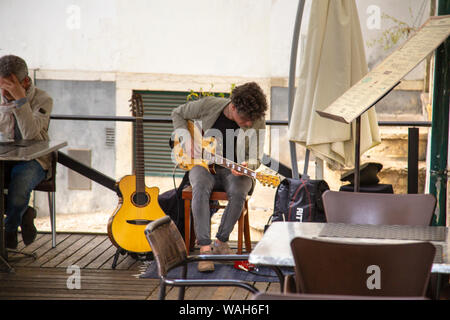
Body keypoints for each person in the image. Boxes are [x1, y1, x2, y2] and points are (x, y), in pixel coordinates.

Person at [171, 82, 267, 272]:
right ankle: (205, 250)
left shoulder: (257, 120)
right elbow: (178, 113)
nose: (249, 123)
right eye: (245, 118)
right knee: (199, 186)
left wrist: (248, 165)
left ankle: (221, 242)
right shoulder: (210, 105)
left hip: (234, 170)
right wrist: (187, 139)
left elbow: (256, 155)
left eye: (251, 119)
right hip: (204, 164)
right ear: (232, 107)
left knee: (240, 190)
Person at [0, 55, 53, 249]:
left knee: (19, 191)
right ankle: (25, 212)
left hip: (34, 159)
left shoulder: (43, 99)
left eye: (9, 87)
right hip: (4, 158)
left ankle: (10, 230)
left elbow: (31, 134)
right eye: (1, 86)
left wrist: (20, 101)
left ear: (25, 81)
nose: (4, 92)